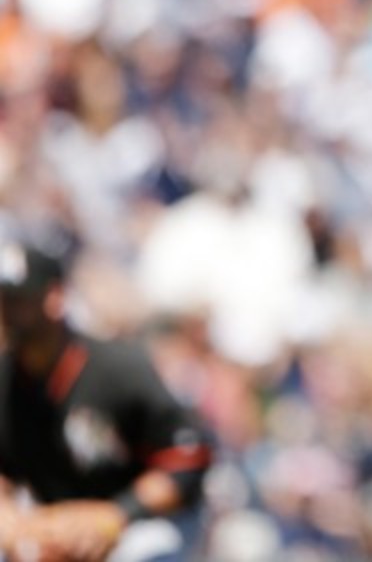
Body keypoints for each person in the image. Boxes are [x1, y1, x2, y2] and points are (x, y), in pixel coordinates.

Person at [0, 230, 214, 562]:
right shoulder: (5, 379)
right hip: (56, 529)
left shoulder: (115, 367)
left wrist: (115, 515)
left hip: (142, 524)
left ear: (54, 298)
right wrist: (12, 524)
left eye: (17, 301)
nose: (7, 313)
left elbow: (188, 456)